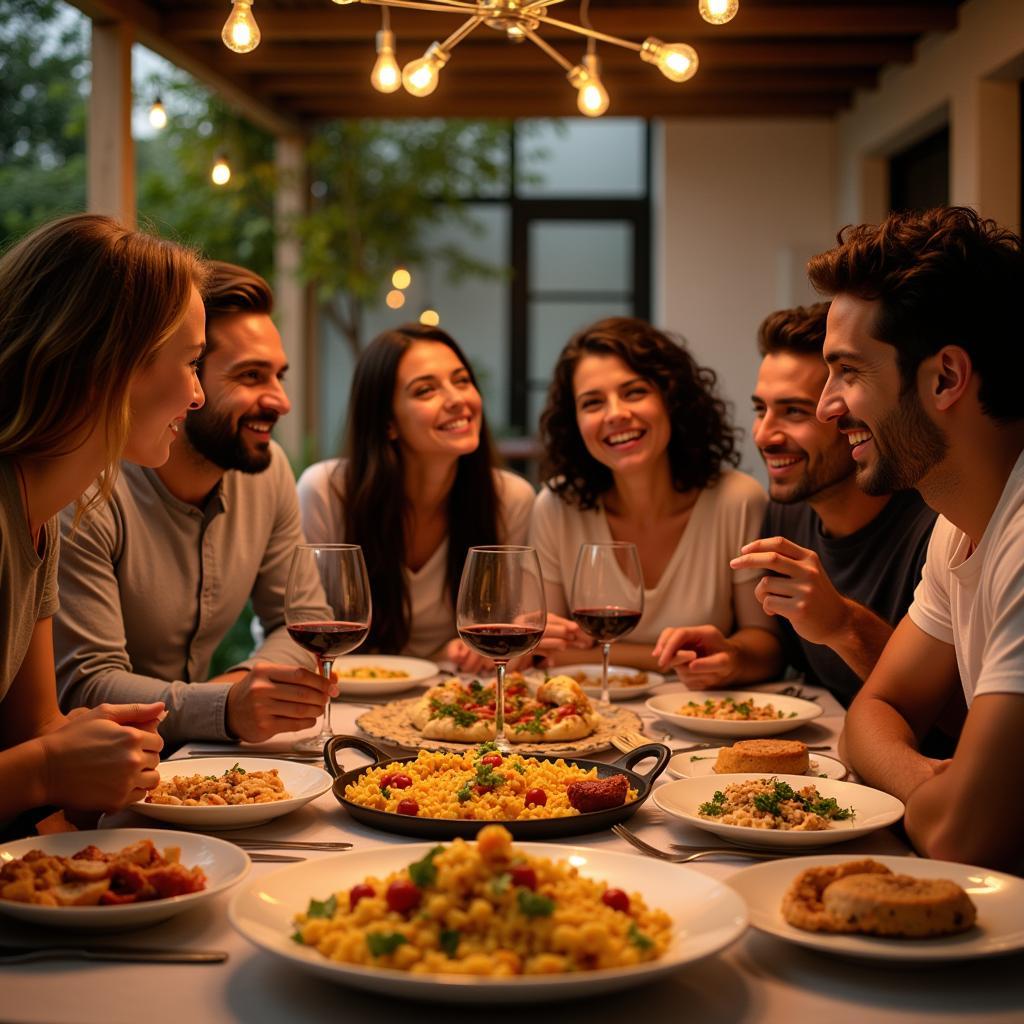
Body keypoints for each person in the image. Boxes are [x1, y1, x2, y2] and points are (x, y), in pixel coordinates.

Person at [810, 206, 1024, 869]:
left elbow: (964, 837)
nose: (826, 406)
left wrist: (950, 802)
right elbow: (874, 710)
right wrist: (932, 783)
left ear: (945, 378)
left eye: (848, 371)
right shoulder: (955, 527)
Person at [56, 261, 335, 745]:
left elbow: (304, 624)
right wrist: (224, 706)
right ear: (186, 382)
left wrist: (235, 695)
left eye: (279, 376)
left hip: (199, 763)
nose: (281, 401)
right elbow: (86, 683)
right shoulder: (82, 487)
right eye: (251, 376)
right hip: (102, 774)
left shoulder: (267, 469)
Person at [0, 213, 204, 826]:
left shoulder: (45, 511)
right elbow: (33, 759)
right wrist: (47, 769)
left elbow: (31, 728)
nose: (198, 396)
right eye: (191, 362)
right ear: (113, 363)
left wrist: (85, 738)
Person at [531, 316, 782, 684]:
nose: (616, 414)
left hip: (703, 715)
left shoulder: (737, 500)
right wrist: (672, 658)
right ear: (574, 422)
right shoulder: (556, 505)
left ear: (671, 399)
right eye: (592, 402)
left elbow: (767, 645)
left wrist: (734, 656)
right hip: (587, 718)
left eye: (634, 392)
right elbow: (549, 649)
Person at [729, 302, 937, 707]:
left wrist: (844, 623)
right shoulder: (785, 513)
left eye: (793, 411)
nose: (764, 435)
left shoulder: (934, 528)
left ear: (847, 412)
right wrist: (733, 656)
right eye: (761, 410)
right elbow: (785, 660)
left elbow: (952, 711)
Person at [297, 324, 535, 668]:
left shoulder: (511, 498)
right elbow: (300, 636)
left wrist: (477, 656)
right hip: (344, 697)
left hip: (458, 700)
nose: (457, 399)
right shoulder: (326, 492)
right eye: (426, 390)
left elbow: (520, 642)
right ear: (387, 423)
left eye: (462, 381)